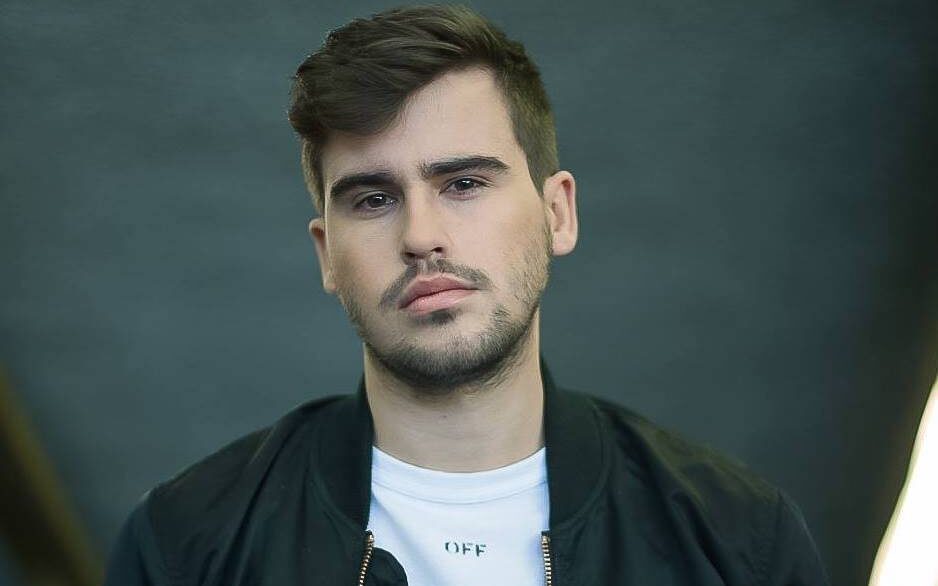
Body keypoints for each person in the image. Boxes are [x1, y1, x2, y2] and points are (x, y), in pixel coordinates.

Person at [104, 5, 830, 585]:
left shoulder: (737, 541)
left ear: (558, 214)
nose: (422, 236)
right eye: (373, 199)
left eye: (464, 183)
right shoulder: (187, 544)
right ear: (327, 255)